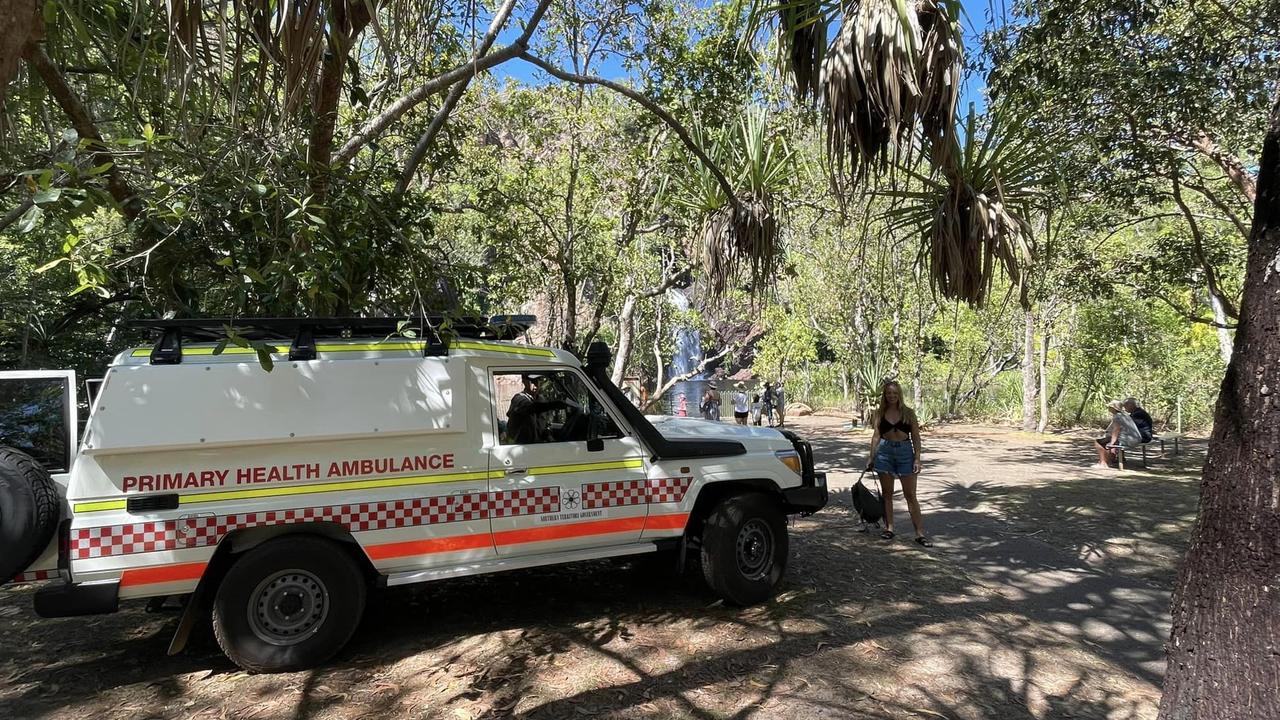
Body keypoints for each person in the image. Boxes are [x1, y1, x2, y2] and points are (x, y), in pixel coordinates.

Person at [865, 379, 930, 547]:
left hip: (904, 452)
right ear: (884, 396)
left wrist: (917, 458)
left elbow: (915, 436)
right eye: (888, 393)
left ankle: (919, 533)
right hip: (885, 452)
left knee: (910, 495)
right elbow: (876, 436)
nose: (891, 396)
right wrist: (871, 457)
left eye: (894, 393)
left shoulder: (908, 413)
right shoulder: (880, 413)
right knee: (887, 494)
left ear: (899, 394)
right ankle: (890, 528)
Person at [506, 374, 567, 444]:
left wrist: (549, 437)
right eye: (531, 381)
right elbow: (530, 408)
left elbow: (545, 425)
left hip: (538, 445)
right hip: (522, 445)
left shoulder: (541, 400)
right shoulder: (519, 399)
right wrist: (554, 405)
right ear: (524, 381)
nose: (535, 385)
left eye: (537, 381)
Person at [1094, 399, 1143, 468]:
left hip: (1128, 440)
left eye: (1110, 407)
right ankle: (1107, 461)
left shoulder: (1118, 416)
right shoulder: (1125, 415)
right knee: (1106, 441)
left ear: (1113, 408)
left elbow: (1116, 430)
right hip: (1136, 439)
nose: (1108, 408)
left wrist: (1112, 443)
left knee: (1098, 442)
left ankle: (1103, 463)